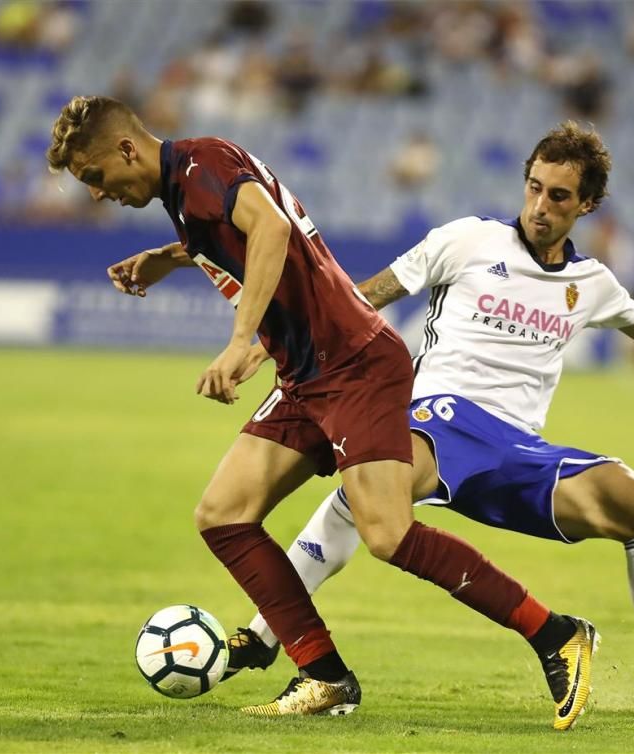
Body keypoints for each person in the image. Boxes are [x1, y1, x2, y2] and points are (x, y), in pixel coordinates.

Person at [46, 97, 598, 728]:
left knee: (387, 535)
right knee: (223, 515)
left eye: (93, 177)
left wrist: (237, 342)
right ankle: (324, 674)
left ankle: (554, 634)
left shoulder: (201, 167)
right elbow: (231, 230)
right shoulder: (187, 184)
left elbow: (272, 230)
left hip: (355, 363)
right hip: (308, 371)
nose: (96, 193)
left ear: (125, 149)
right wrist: (168, 258)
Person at [226, 121, 634, 725]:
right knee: (368, 495)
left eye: (558, 197)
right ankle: (266, 634)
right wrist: (277, 338)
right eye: (534, 187)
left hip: (514, 449)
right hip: (436, 414)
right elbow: (366, 296)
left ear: (589, 205)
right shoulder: (467, 241)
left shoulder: (590, 284)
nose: (540, 207)